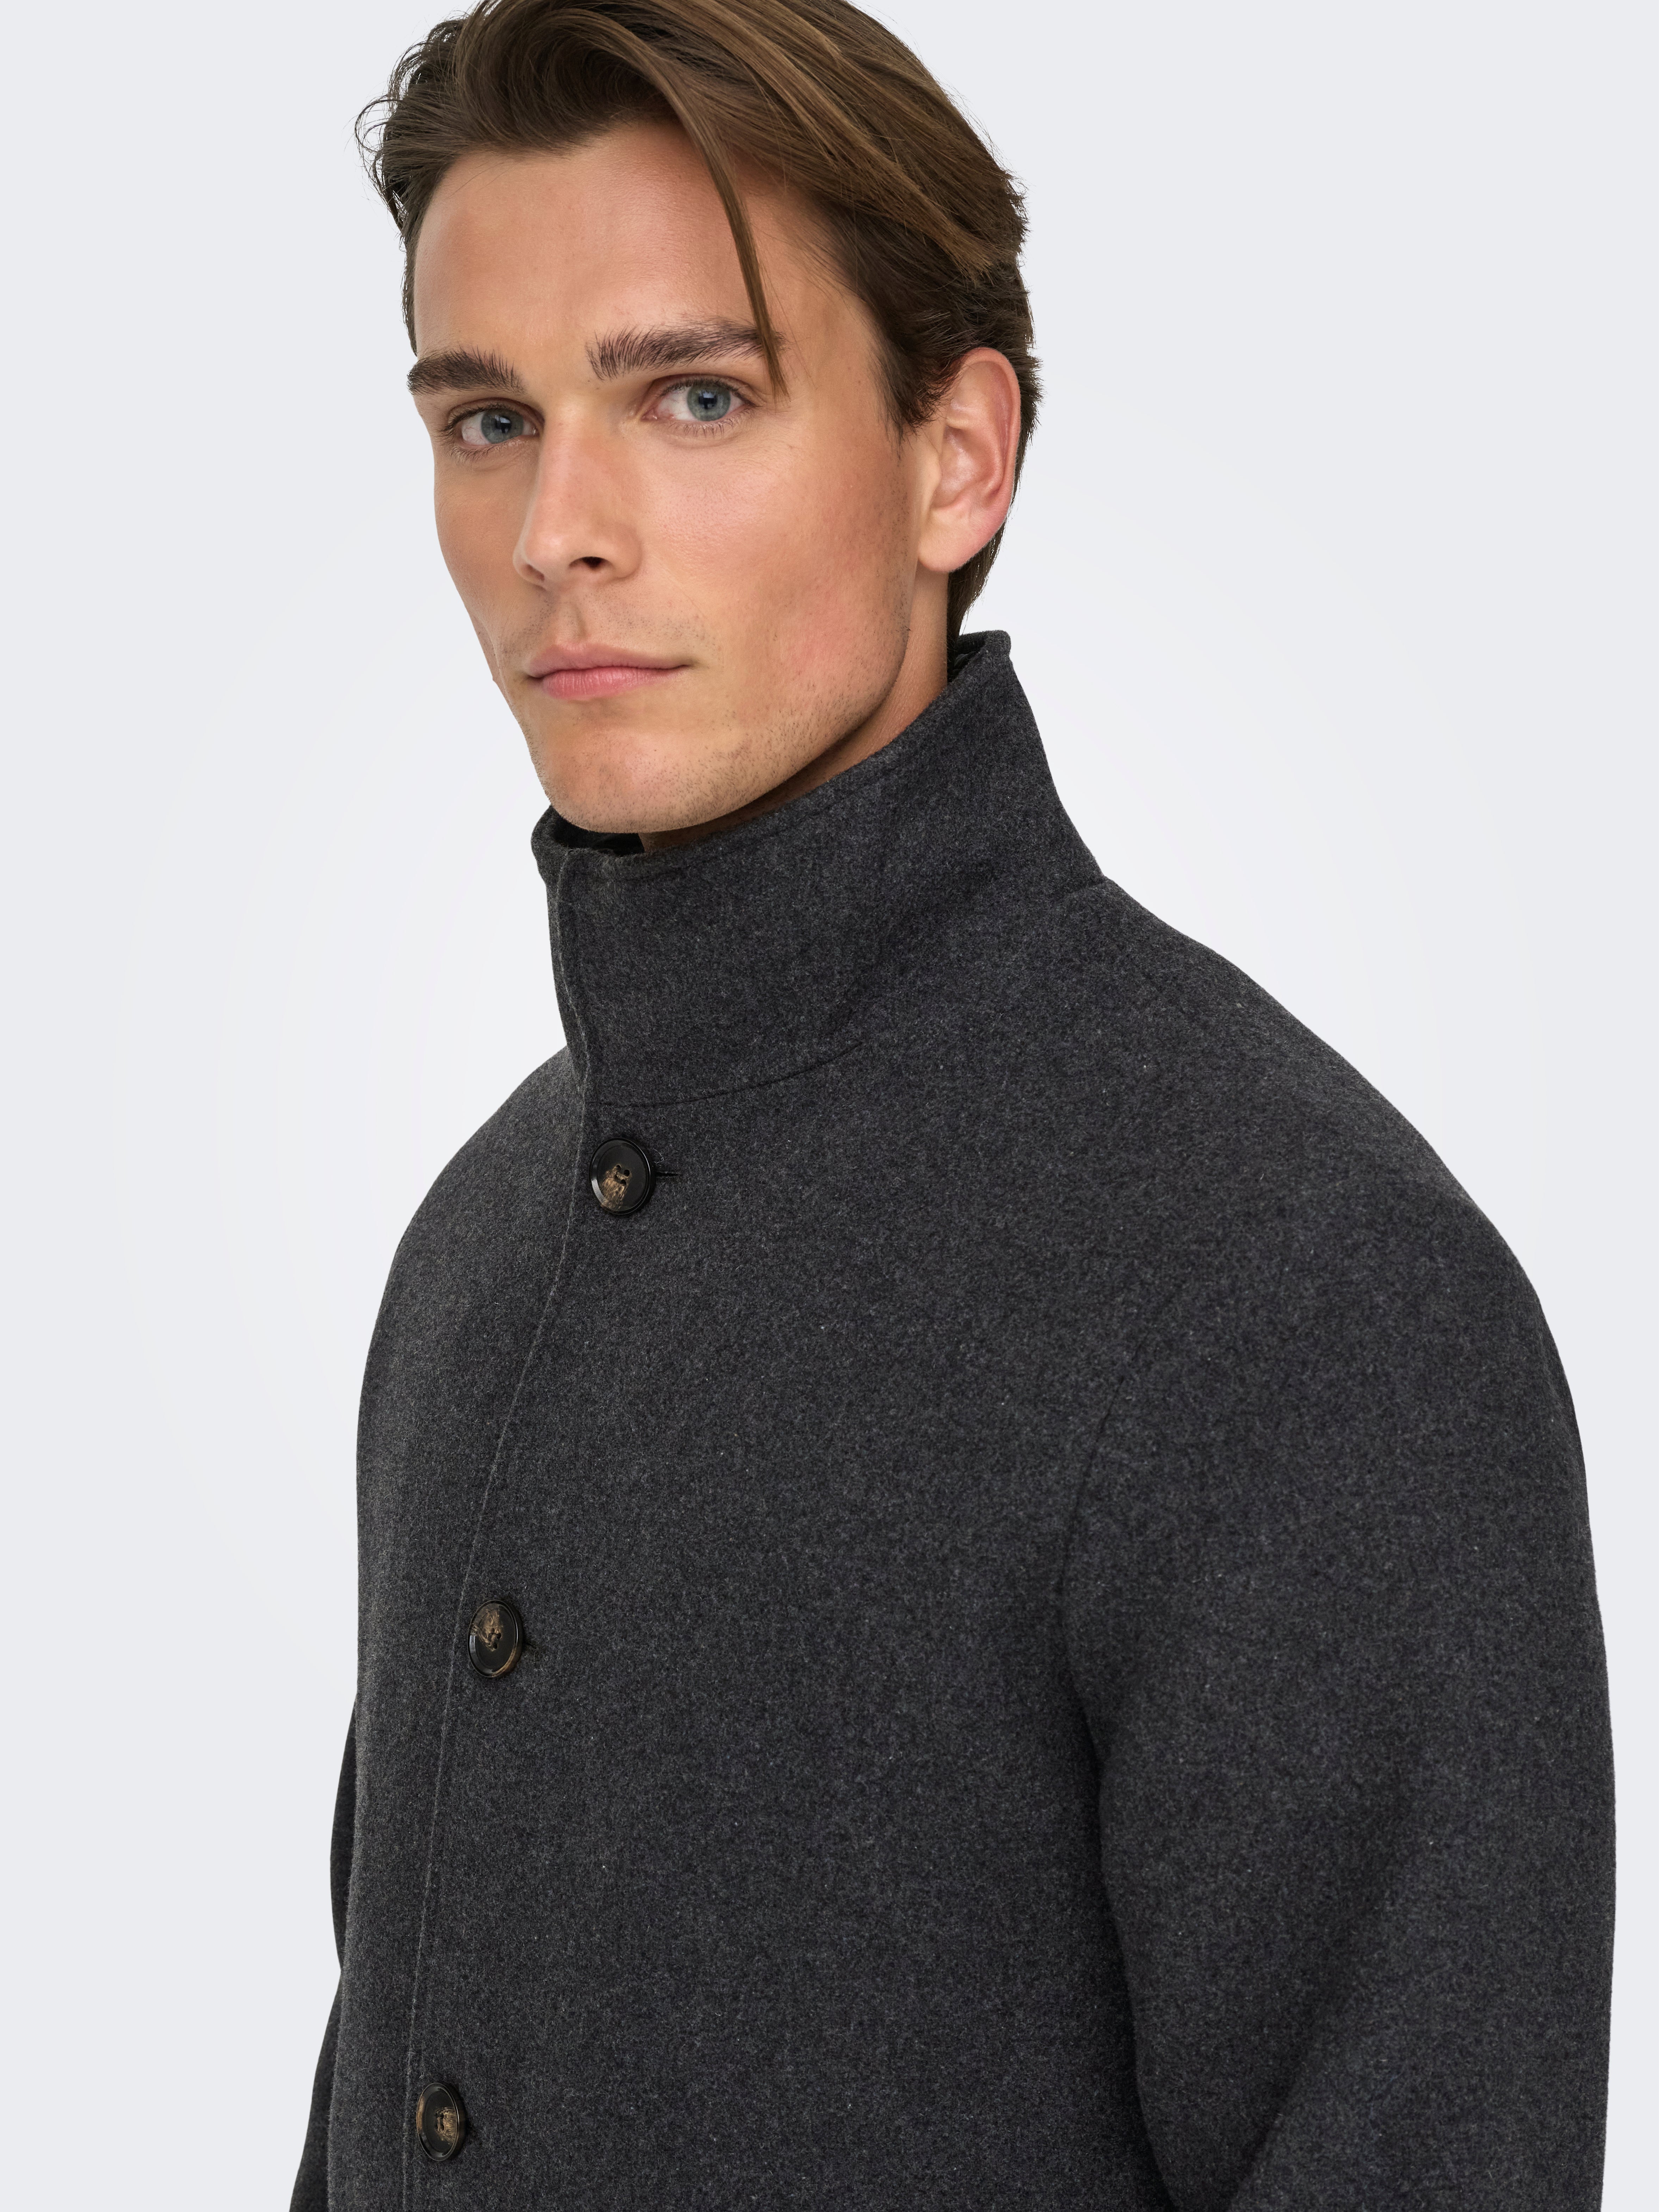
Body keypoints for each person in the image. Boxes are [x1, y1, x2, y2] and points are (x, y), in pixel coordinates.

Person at [292, 2, 1614, 2205]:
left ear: (956, 459)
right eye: (489, 419)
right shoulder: (484, 1236)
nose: (557, 531)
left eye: (694, 396)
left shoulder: (1296, 1282)